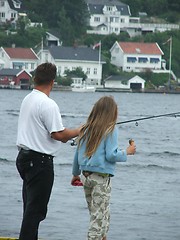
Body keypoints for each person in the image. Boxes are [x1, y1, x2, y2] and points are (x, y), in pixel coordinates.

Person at [16, 62, 80, 240]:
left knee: (30, 208)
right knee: (35, 212)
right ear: (52, 82)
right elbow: (58, 134)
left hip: (23, 158)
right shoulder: (48, 104)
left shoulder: (27, 99)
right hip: (40, 162)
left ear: (35, 78)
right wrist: (80, 130)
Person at [71, 96, 136, 240]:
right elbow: (111, 155)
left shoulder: (85, 129)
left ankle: (103, 237)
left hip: (85, 177)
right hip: (100, 179)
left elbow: (77, 154)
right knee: (98, 216)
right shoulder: (111, 129)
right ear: (113, 113)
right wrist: (127, 152)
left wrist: (75, 174)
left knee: (99, 213)